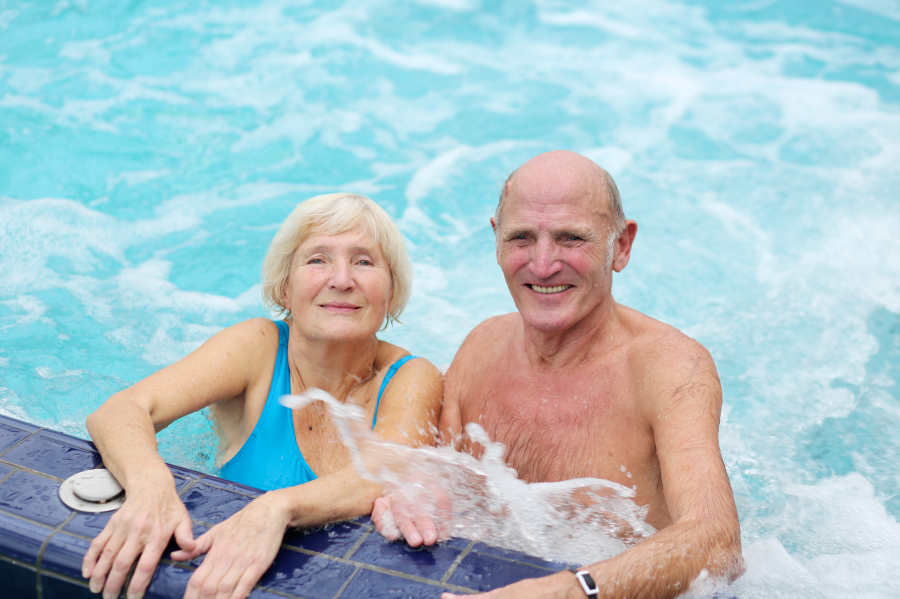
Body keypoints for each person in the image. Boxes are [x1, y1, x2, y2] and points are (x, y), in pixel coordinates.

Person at [372, 151, 743, 598]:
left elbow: (718, 546)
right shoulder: (482, 346)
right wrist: (408, 491)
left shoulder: (668, 369)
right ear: (496, 241)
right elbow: (426, 469)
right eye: (522, 238)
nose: (543, 264)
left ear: (621, 246)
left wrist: (570, 591)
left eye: (571, 239)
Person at [82, 193, 443, 599]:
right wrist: (151, 487)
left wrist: (276, 507)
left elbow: (386, 471)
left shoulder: (411, 377)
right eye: (317, 260)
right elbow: (120, 410)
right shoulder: (258, 347)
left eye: (363, 261)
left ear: (392, 291)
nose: (342, 279)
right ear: (284, 290)